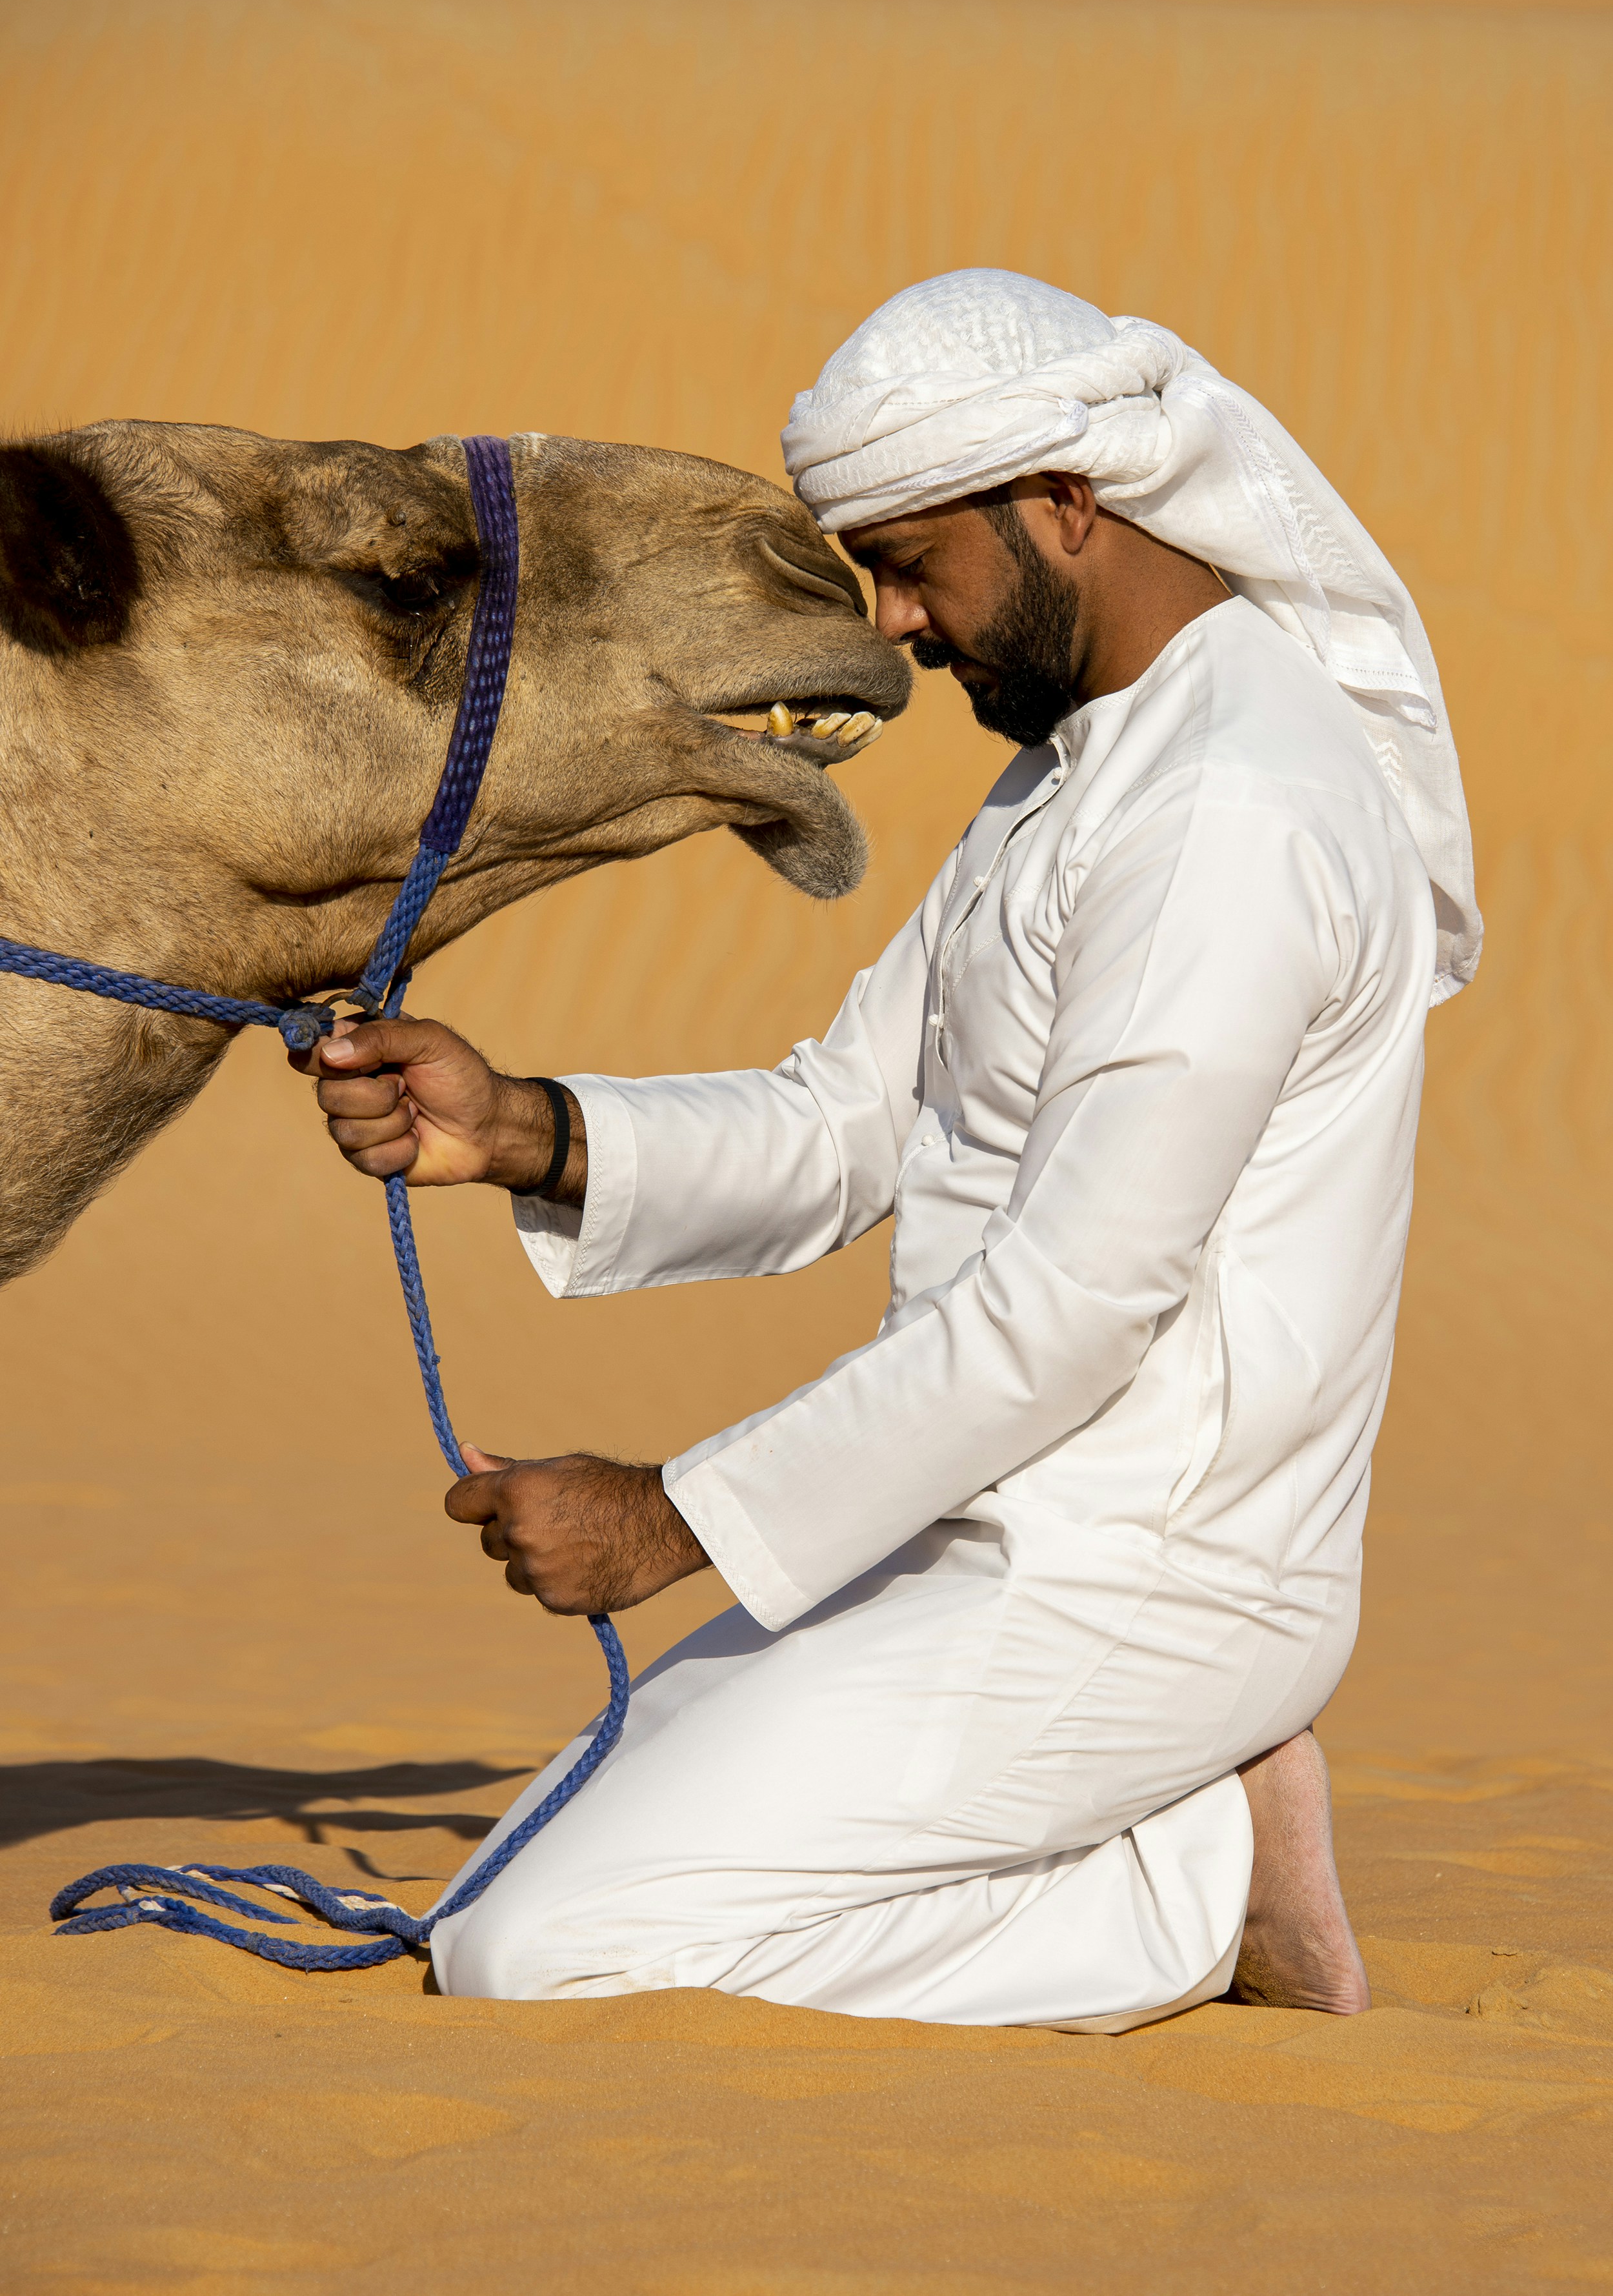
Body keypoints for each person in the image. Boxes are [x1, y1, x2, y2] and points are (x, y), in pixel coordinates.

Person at [306, 271, 1479, 2028]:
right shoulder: (1083, 774)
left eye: (913, 563)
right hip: (965, 1531)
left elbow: (1076, 1302)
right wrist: (523, 1129)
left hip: (1142, 1578)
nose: (893, 625)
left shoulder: (1232, 809)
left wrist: (672, 1515)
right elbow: (851, 1119)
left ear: (1067, 508)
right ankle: (1162, 1829)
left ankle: (1185, 1878)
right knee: (498, 1874)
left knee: (535, 1949)